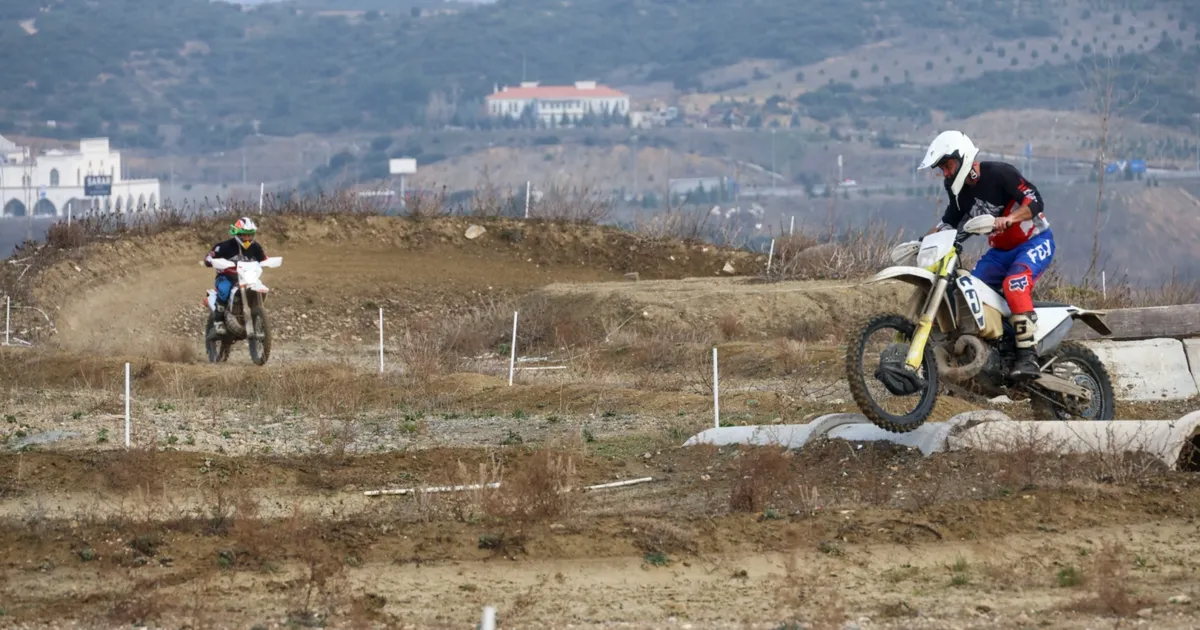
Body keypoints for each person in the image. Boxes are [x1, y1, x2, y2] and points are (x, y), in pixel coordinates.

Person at [918, 130, 1054, 381]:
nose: (946, 173)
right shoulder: (955, 189)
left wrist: (1010, 218)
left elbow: (1035, 201)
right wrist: (923, 242)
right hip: (1000, 252)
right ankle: (999, 349)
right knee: (970, 294)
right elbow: (950, 221)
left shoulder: (999, 173)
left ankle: (1028, 356)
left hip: (1033, 241)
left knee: (1014, 285)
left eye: (947, 166)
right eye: (942, 169)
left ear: (963, 158)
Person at [204, 216, 267, 336]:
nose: (247, 238)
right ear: (237, 233)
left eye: (250, 234)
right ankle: (218, 321)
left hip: (247, 277)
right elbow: (209, 256)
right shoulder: (225, 246)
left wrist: (268, 262)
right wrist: (210, 260)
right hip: (226, 277)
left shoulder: (255, 247)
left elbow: (264, 259)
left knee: (259, 287)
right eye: (244, 234)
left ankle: (258, 315)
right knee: (225, 289)